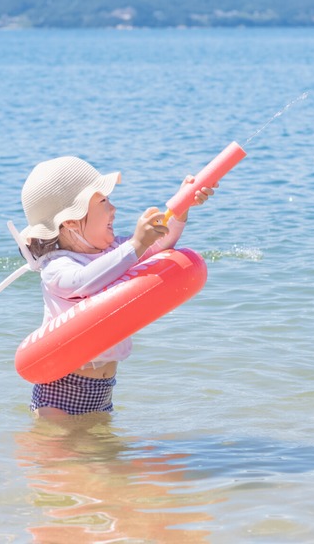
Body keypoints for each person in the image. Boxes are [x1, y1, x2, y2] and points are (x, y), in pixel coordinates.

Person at [16, 156, 213, 418]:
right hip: (59, 394)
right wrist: (136, 245)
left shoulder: (114, 250)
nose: (114, 209)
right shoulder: (56, 266)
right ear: (71, 221)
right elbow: (82, 281)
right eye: (103, 202)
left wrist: (180, 208)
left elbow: (157, 246)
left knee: (104, 445)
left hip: (102, 391)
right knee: (60, 446)